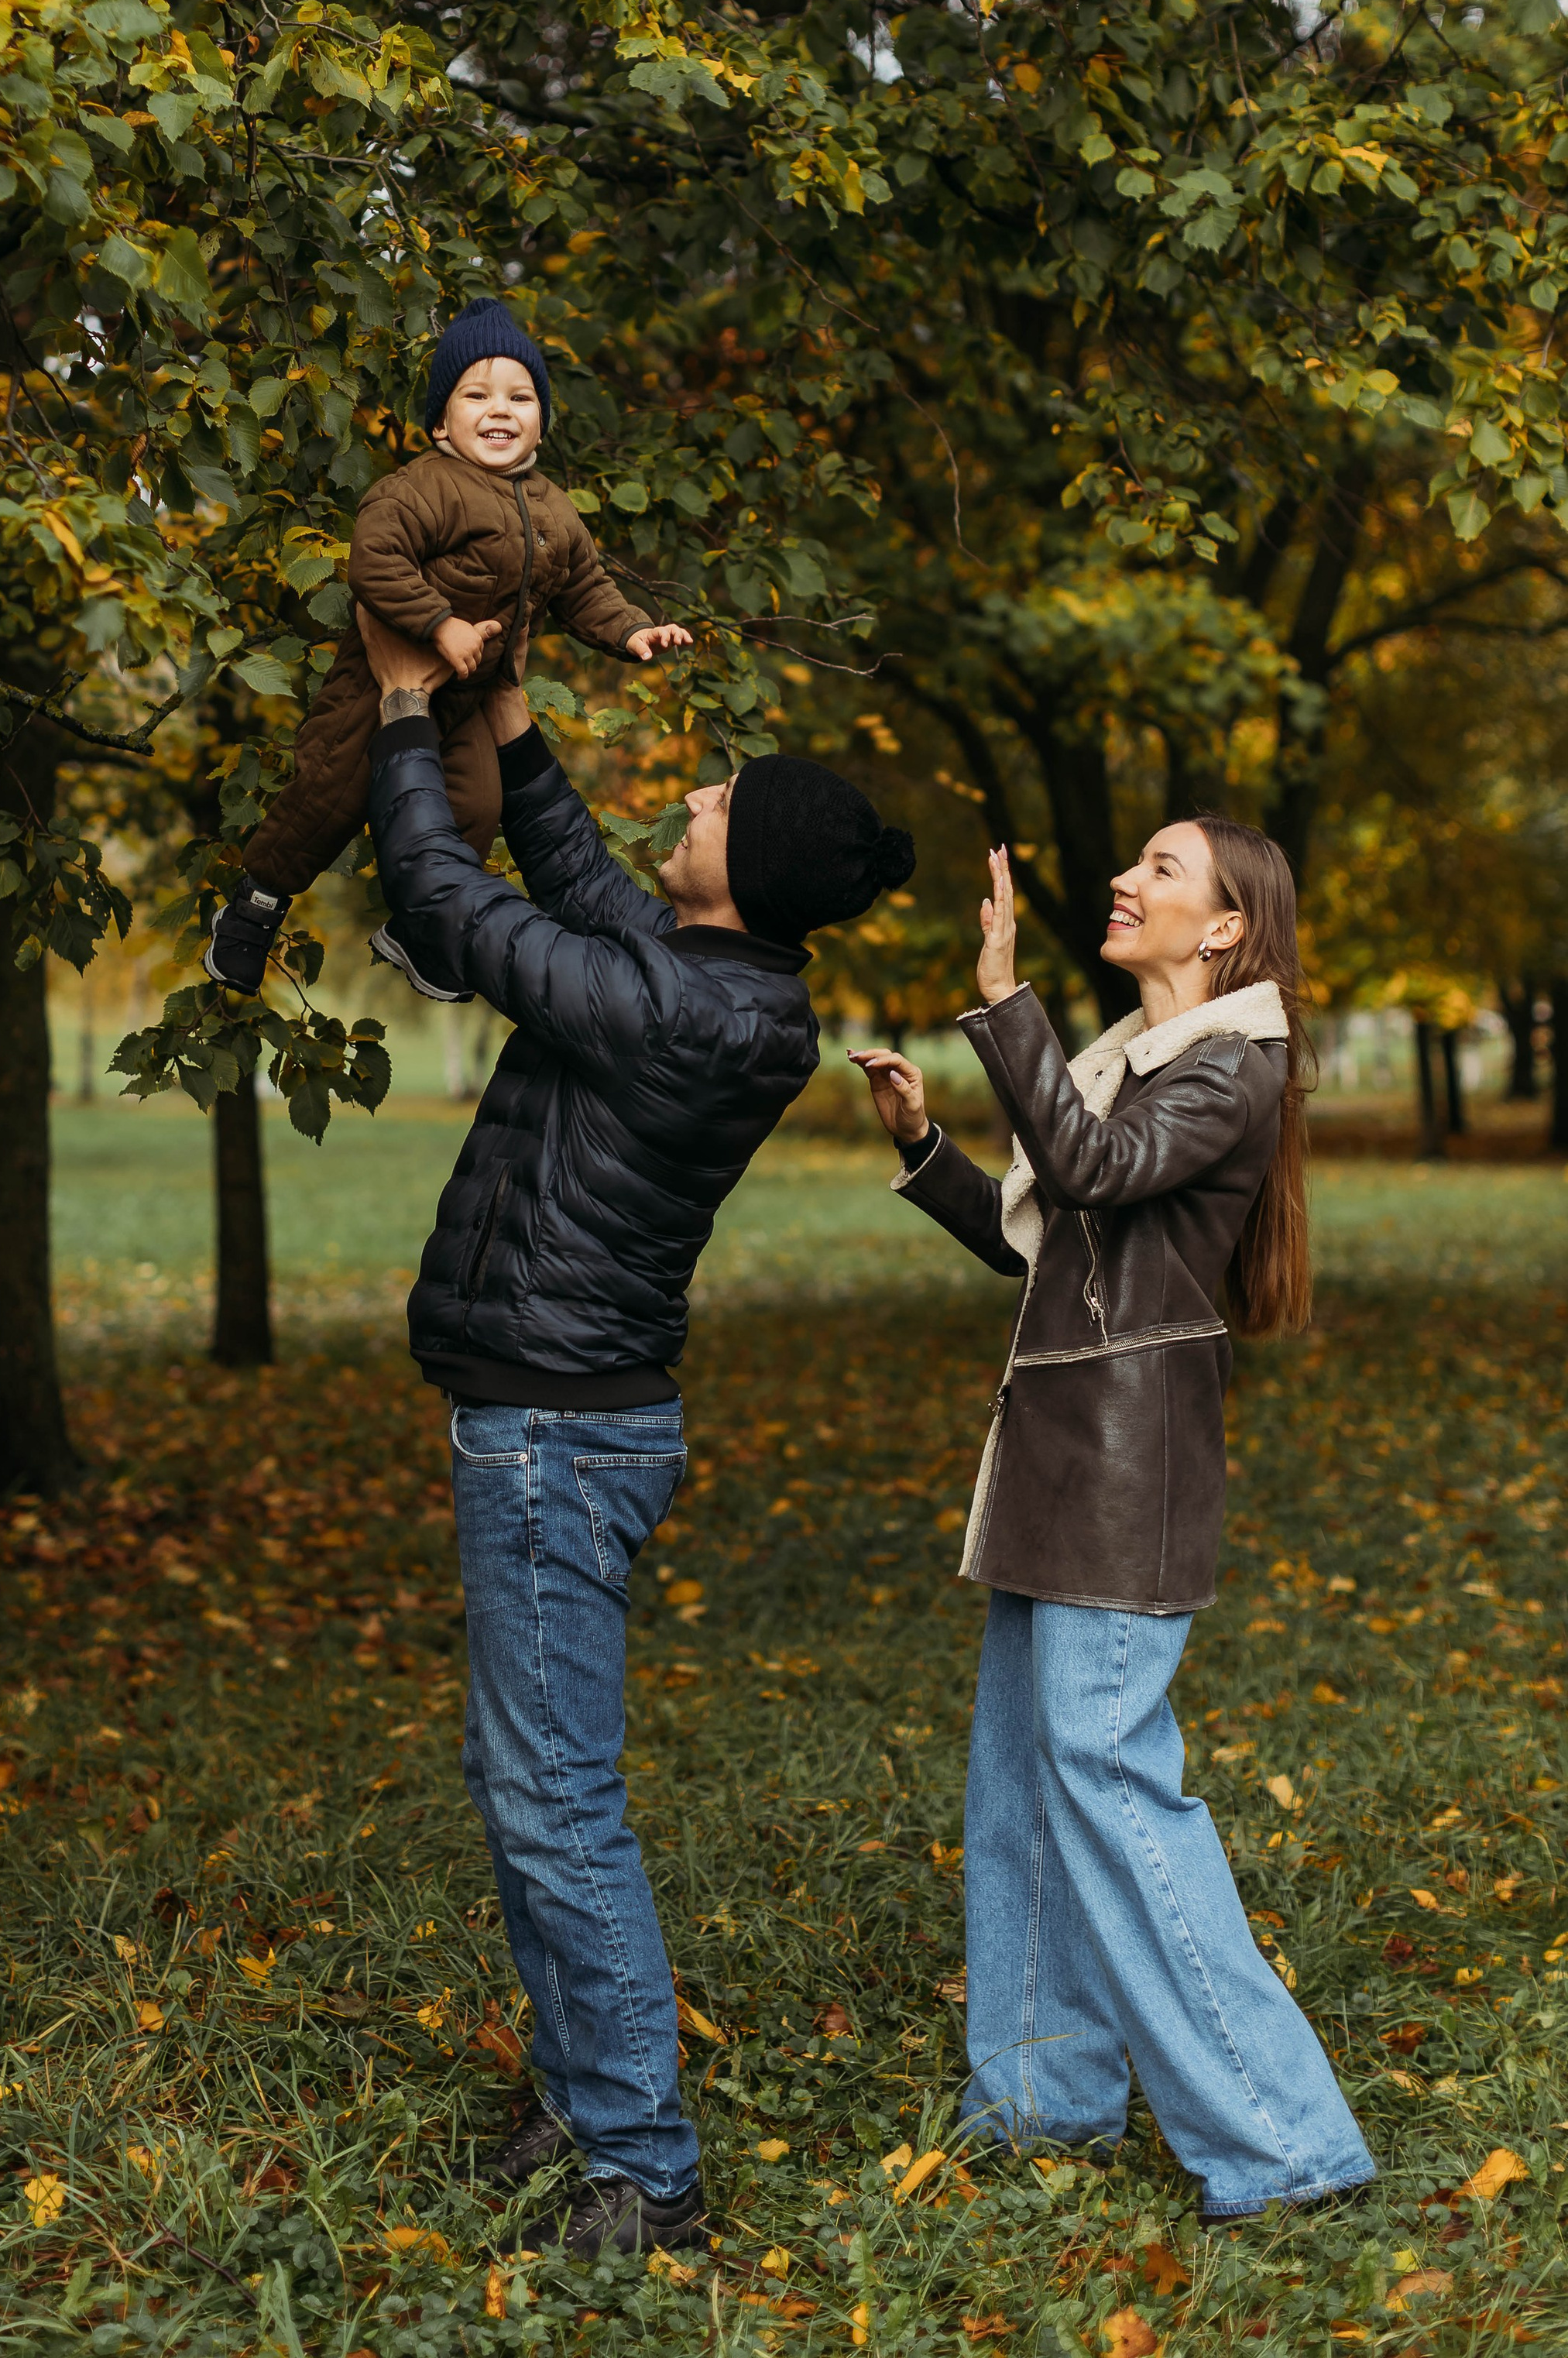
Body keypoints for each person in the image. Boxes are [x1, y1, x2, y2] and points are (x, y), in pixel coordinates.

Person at [362, 607, 914, 2260]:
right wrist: (515, 732)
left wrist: (408, 723)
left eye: (710, 796)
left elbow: (453, 910)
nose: (682, 797)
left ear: (739, 866)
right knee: (522, 1778)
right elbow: (583, 883)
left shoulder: (677, 1010)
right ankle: (582, 2102)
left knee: (554, 1800)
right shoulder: (711, 979)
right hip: (553, 1419)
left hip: (554, 1435)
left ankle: (643, 2173)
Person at [850, 822, 1376, 2226]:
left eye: (1163, 868)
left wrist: (1002, 991)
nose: (1128, 883)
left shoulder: (1233, 1068)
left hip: (1125, 1481)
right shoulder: (1140, 1069)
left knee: (1113, 1784)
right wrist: (923, 1146)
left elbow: (1083, 1168)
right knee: (1023, 1781)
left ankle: (1286, 2141)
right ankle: (1041, 2099)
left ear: (1224, 931)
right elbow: (1049, 1236)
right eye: (1133, 863)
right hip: (1057, 1465)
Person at [204, 295, 691, 1000]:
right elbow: (375, 560)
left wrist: (632, 629)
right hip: (378, 687)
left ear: (542, 420)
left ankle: (421, 929)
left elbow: (584, 584)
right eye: (478, 394)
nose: (502, 409)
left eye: (521, 396)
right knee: (324, 800)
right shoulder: (423, 487)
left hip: (465, 702)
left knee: (476, 809)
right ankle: (256, 905)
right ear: (440, 421)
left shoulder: (555, 508)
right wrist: (439, 623)